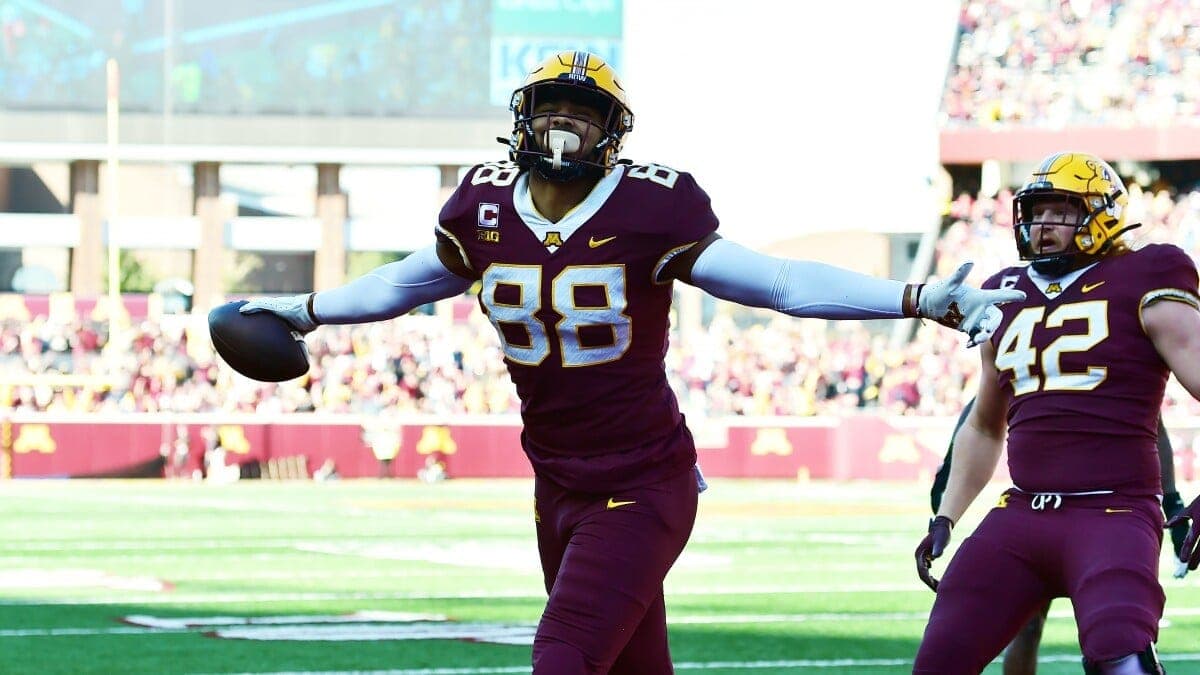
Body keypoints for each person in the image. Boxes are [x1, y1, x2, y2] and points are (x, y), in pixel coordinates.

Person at [240, 51, 1023, 674]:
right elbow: (403, 283)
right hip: (559, 482)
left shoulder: (652, 206)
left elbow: (779, 282)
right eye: (553, 109)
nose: (564, 126)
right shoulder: (478, 207)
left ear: (612, 132)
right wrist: (306, 310)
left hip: (643, 481)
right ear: (522, 119)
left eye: (584, 114)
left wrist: (915, 297)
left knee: (565, 653)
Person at [912, 152, 1200, 675]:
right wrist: (946, 515)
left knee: (1120, 655)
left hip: (1112, 512)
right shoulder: (1006, 292)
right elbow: (984, 421)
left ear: (1101, 214)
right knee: (941, 659)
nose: (1042, 225)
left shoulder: (1148, 270)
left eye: (1060, 212)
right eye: (1036, 211)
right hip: (1020, 514)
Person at [929, 404, 1192, 675]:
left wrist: (1172, 501)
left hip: (1109, 512)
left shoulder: (1125, 374)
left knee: (1114, 638)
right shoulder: (1026, 368)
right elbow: (983, 408)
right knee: (1025, 628)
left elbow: (1153, 425)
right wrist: (948, 481)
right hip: (1034, 508)